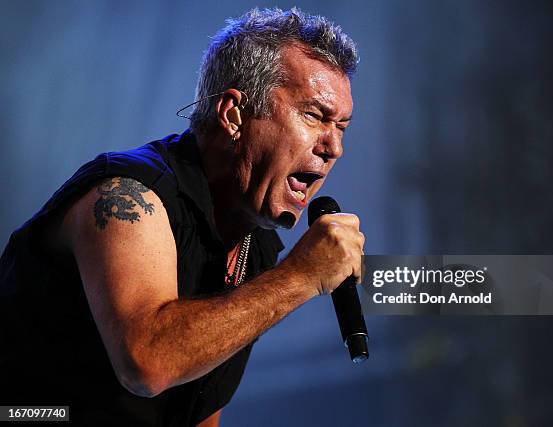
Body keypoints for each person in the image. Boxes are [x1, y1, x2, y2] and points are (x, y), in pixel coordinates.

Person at [0, 7, 364, 427]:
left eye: (342, 127)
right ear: (233, 115)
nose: (333, 146)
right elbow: (148, 362)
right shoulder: (128, 198)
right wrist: (301, 276)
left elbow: (196, 410)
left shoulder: (254, 244)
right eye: (315, 116)